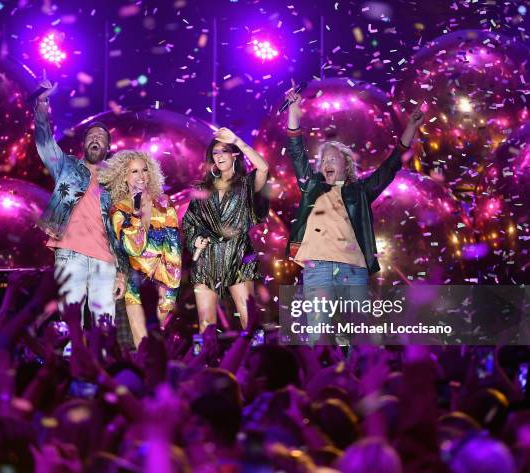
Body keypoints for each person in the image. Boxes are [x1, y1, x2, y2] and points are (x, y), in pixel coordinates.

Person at [285, 79, 425, 286]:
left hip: (353, 269)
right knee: (319, 320)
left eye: (332, 159)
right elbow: (296, 150)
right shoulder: (312, 185)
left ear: (346, 164)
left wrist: (412, 127)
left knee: (354, 320)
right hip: (318, 268)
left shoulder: (361, 191)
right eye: (323, 161)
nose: (326, 163)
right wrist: (294, 109)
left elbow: (391, 166)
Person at [33, 71, 128, 326]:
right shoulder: (66, 167)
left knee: (104, 326)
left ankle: (100, 366)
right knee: (70, 326)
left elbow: (124, 229)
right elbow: (44, 142)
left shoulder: (117, 179)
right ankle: (69, 365)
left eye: (102, 138)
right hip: (69, 254)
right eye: (91, 137)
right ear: (83, 144)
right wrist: (42, 104)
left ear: (108, 148)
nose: (96, 139)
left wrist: (122, 273)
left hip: (105, 260)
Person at [182, 127, 269, 332]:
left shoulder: (246, 184)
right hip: (207, 258)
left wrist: (237, 140)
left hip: (238, 254)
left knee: (249, 319)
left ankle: (255, 361)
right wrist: (195, 240)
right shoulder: (202, 189)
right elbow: (190, 223)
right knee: (205, 325)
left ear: (234, 154)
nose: (219, 156)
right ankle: (205, 363)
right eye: (215, 152)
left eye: (224, 151)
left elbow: (263, 168)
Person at [100, 150, 181, 347]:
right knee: (143, 345)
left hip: (163, 283)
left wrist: (169, 287)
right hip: (135, 284)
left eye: (144, 170)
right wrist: (136, 214)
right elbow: (133, 248)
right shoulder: (119, 209)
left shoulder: (164, 203)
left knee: (159, 343)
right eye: (134, 171)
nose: (141, 176)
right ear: (124, 177)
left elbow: (173, 249)